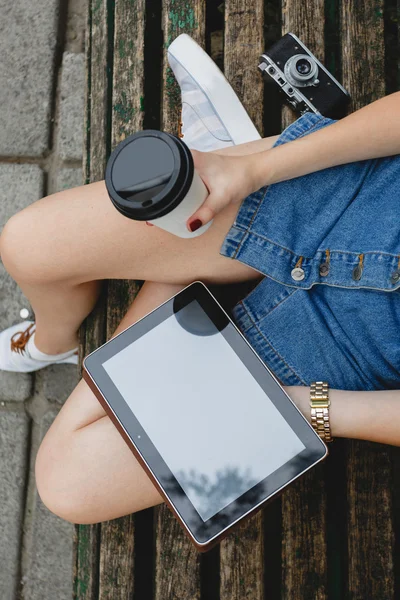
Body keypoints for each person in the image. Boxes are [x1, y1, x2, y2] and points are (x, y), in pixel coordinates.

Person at [0, 35, 399, 525]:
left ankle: (187, 267)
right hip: (351, 193)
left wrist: (308, 409)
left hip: (348, 353)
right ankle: (56, 339)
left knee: (69, 481)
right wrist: (254, 169)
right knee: (28, 245)